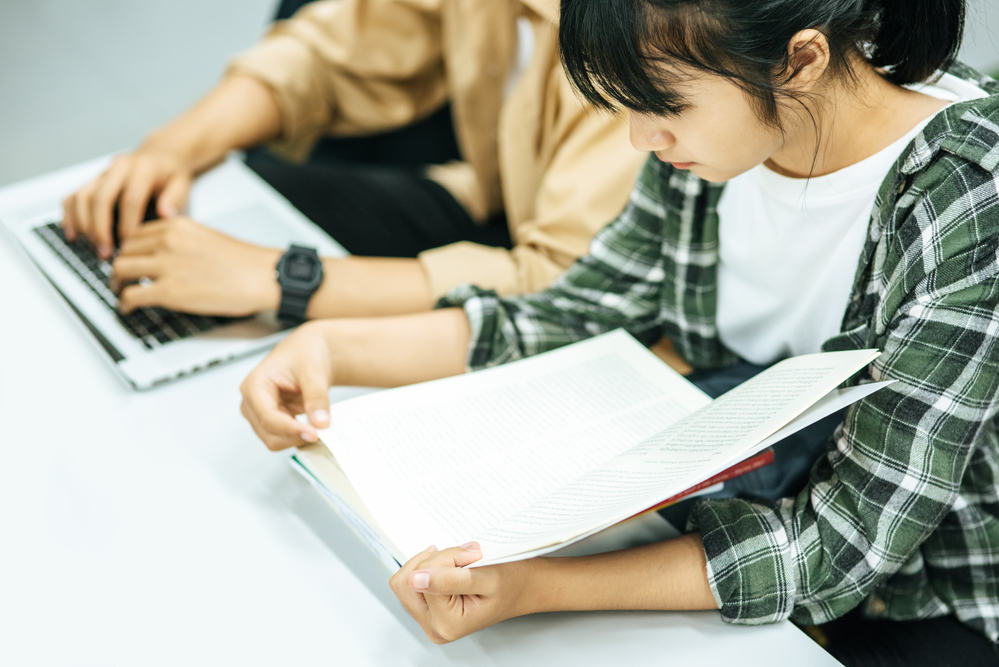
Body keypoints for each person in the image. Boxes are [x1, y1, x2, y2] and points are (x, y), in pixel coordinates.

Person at [238, 0, 999, 663]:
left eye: (661, 104)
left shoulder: (966, 188)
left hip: (930, 592)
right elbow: (576, 309)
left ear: (800, 58)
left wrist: (534, 587)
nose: (640, 138)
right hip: (757, 510)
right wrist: (337, 347)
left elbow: (847, 542)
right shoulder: (718, 135)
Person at [59, 0, 645, 322]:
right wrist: (172, 147)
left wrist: (279, 278)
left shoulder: (633, 33)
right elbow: (330, 54)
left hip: (584, 287)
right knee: (244, 191)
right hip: (494, 197)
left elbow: (566, 286)